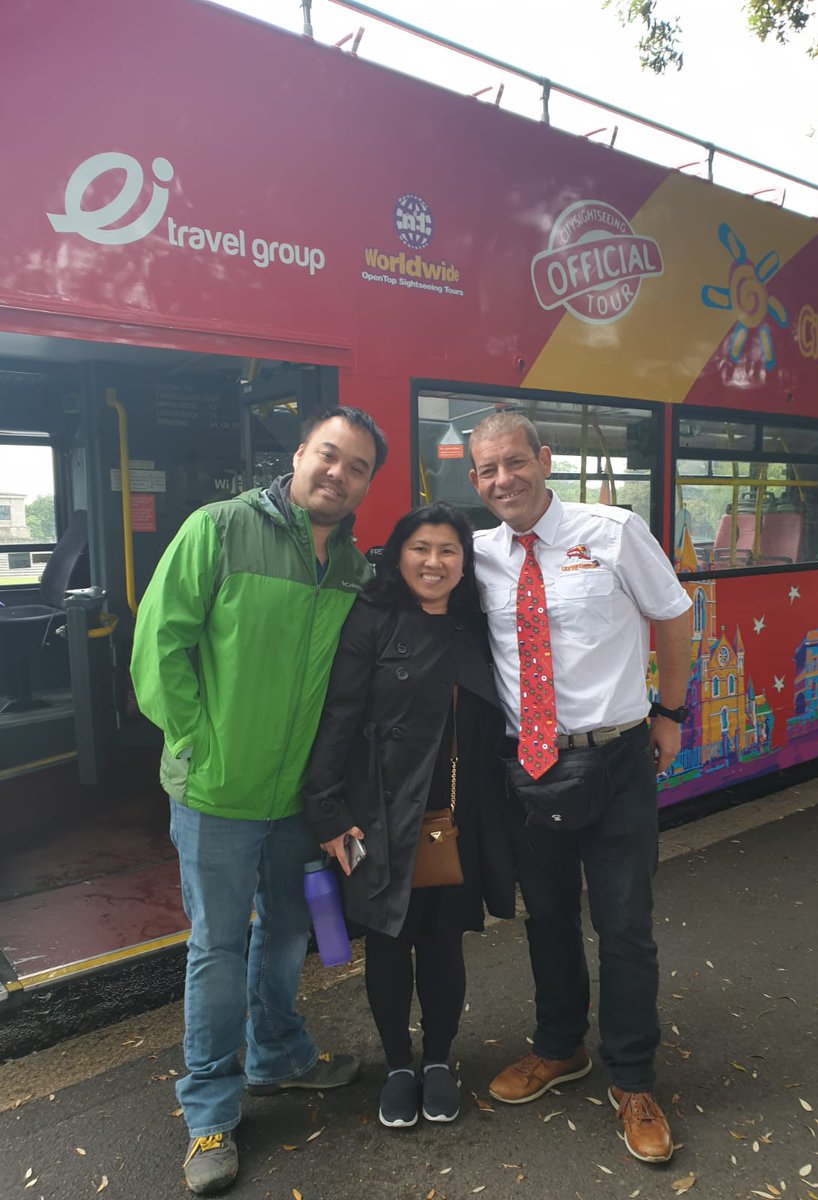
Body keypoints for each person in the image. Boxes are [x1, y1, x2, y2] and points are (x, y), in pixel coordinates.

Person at [130, 406, 388, 1195]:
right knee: (217, 947)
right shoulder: (219, 529)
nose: (337, 475)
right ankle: (209, 1109)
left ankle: (278, 1055)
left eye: (356, 468)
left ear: (366, 485)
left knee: (285, 931)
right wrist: (198, 745)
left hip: (299, 803)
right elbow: (158, 642)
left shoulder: (355, 572)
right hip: (215, 794)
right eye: (328, 456)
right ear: (301, 454)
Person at [467, 412, 692, 1165]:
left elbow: (674, 615)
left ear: (544, 459)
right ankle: (560, 1046)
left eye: (515, 462)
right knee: (550, 917)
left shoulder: (615, 531)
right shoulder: (478, 555)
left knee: (625, 925)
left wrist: (671, 710)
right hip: (529, 769)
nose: (504, 479)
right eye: (488, 470)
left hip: (618, 760)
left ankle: (632, 1079)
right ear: (475, 481)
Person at [304, 501, 515, 1130]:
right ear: (398, 555)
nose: (434, 562)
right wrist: (328, 812)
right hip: (378, 814)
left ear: (464, 561)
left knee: (444, 944)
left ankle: (441, 1061)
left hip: (455, 812)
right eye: (420, 548)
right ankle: (399, 1065)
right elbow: (337, 718)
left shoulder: (477, 622)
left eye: (448, 550)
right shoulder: (371, 618)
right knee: (390, 948)